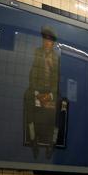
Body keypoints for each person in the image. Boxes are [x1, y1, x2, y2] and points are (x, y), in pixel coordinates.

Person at [24, 26, 60, 159]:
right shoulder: (37, 53)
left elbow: (56, 81)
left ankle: (52, 142)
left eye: (49, 41)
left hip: (50, 92)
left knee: (61, 105)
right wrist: (37, 93)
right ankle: (33, 139)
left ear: (53, 43)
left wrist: (50, 96)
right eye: (44, 39)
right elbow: (32, 75)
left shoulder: (56, 59)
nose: (46, 42)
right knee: (28, 96)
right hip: (38, 89)